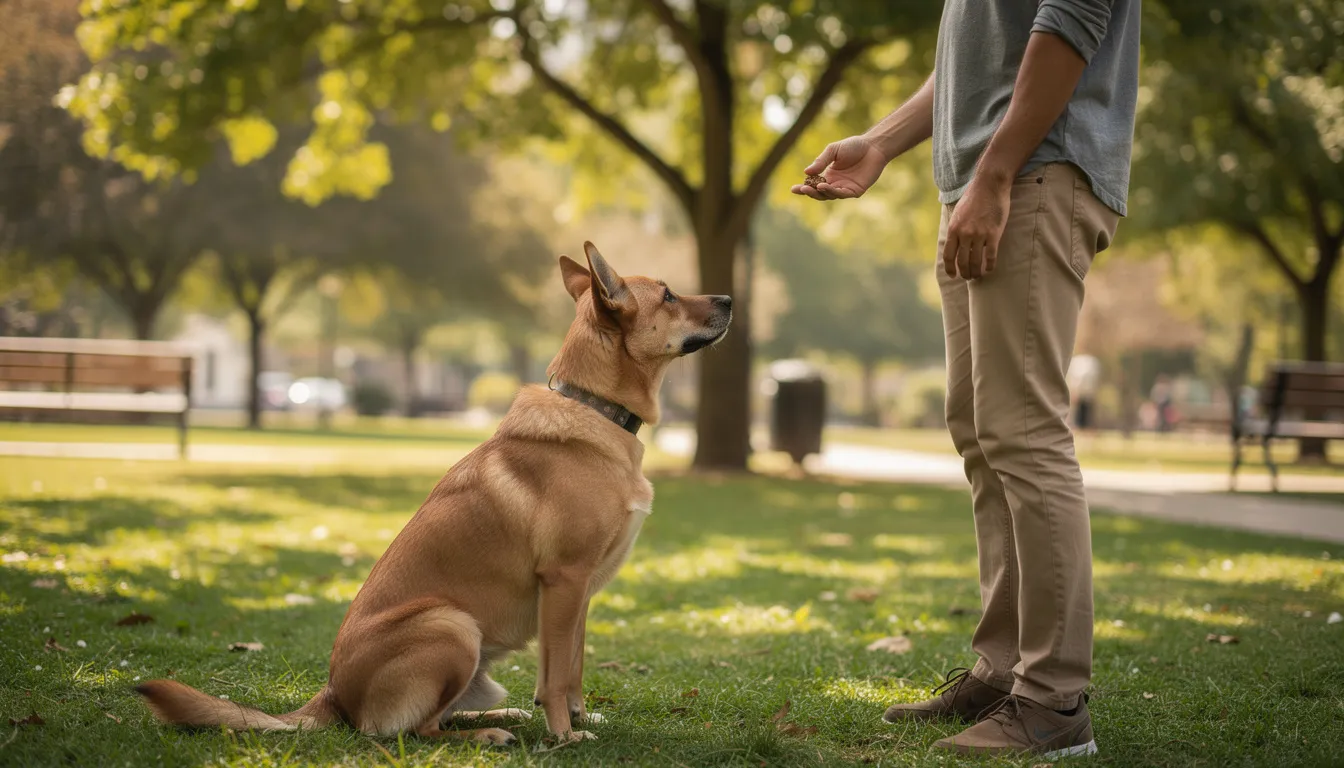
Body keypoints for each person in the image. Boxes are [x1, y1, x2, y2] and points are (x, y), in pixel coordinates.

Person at [792, 0, 1139, 758]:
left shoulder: (1013, 167)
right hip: (985, 181)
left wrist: (996, 172)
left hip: (1031, 173)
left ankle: (1053, 703)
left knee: (1023, 432)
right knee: (981, 433)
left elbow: (1070, 22)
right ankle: (1005, 670)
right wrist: (881, 144)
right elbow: (975, 59)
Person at [1067, 354, 1102, 432]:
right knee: (1079, 414)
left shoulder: (1088, 364)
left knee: (1086, 414)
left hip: (1087, 394)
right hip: (1083, 394)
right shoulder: (1079, 365)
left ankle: (1086, 428)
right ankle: (1080, 428)